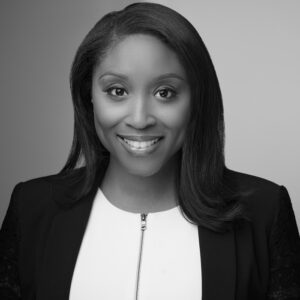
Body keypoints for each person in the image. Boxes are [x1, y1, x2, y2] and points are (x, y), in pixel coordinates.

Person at [0, 2, 299, 300]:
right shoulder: (32, 209)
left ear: (197, 100)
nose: (140, 119)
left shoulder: (263, 213)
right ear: (87, 94)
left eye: (165, 93)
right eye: (117, 91)